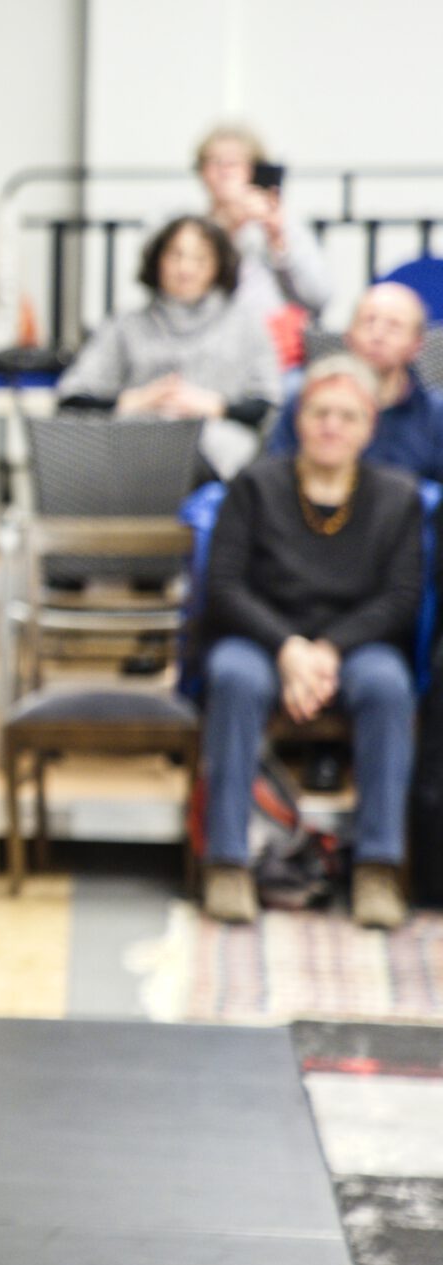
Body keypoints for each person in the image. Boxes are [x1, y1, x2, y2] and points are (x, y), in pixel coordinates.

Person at [194, 355, 421, 929]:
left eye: (348, 416)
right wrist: (289, 648)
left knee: (389, 687)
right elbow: (224, 587)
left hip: (353, 646)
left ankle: (377, 866)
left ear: (369, 427)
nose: (331, 426)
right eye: (320, 412)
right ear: (299, 419)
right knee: (233, 676)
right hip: (263, 640)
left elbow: (400, 599)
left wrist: (327, 651)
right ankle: (226, 862)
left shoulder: (397, 497)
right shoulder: (254, 486)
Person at [56, 215, 280, 478]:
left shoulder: (246, 325)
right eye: (175, 256)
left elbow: (269, 406)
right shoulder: (125, 325)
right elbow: (71, 398)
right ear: (157, 260)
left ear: (218, 266)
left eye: (200, 259)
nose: (185, 269)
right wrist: (138, 400)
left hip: (219, 454)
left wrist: (214, 405)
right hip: (136, 448)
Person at [263, 282, 443, 480]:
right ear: (348, 334)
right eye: (368, 321)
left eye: (394, 326)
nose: (378, 335)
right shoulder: (307, 400)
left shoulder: (435, 414)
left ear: (417, 344)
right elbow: (274, 476)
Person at [194, 122, 332, 336]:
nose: (224, 171)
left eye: (234, 162)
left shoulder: (283, 225)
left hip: (274, 341)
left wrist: (278, 240)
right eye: (215, 162)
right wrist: (230, 227)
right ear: (202, 172)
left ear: (255, 170)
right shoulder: (188, 230)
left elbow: (319, 297)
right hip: (207, 339)